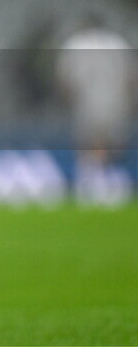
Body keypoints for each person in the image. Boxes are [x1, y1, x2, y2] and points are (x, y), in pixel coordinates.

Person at [56, 13, 135, 206]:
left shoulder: (75, 43)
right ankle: (111, 189)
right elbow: (132, 77)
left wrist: (68, 101)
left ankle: (90, 188)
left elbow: (64, 79)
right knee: (111, 148)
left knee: (88, 148)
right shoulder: (118, 42)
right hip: (116, 103)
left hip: (85, 102)